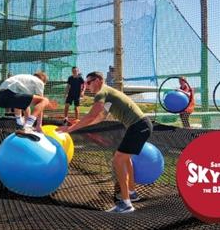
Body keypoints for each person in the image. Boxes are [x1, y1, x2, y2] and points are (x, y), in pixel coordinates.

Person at [58, 71, 153, 213]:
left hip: (138, 126)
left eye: (88, 82)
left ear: (98, 80)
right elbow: (100, 117)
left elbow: (91, 115)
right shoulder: (108, 94)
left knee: (118, 160)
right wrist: (80, 125)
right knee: (125, 159)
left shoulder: (102, 92)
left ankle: (126, 204)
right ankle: (132, 194)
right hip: (141, 125)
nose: (86, 86)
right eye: (85, 83)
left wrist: (70, 129)